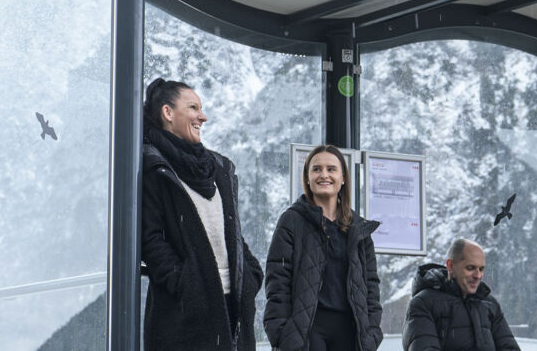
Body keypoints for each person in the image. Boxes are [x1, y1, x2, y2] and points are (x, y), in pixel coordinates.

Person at [140, 78, 264, 350]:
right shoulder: (153, 167)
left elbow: (231, 232)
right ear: (168, 113)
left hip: (233, 308)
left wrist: (251, 275)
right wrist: (187, 286)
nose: (203, 116)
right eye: (193, 107)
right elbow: (150, 240)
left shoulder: (219, 168)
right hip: (184, 316)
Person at [265, 145, 384, 351]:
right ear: (308, 178)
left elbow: (370, 285)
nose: (324, 175)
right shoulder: (292, 221)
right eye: (316, 169)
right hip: (307, 331)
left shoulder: (358, 228)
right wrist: (281, 333)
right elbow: (277, 281)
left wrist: (372, 332)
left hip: (350, 332)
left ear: (343, 178)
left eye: (331, 169)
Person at [402, 239, 520, 351]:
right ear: (450, 266)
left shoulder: (490, 304)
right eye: (470, 268)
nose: (478, 275)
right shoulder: (423, 303)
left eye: (481, 269)